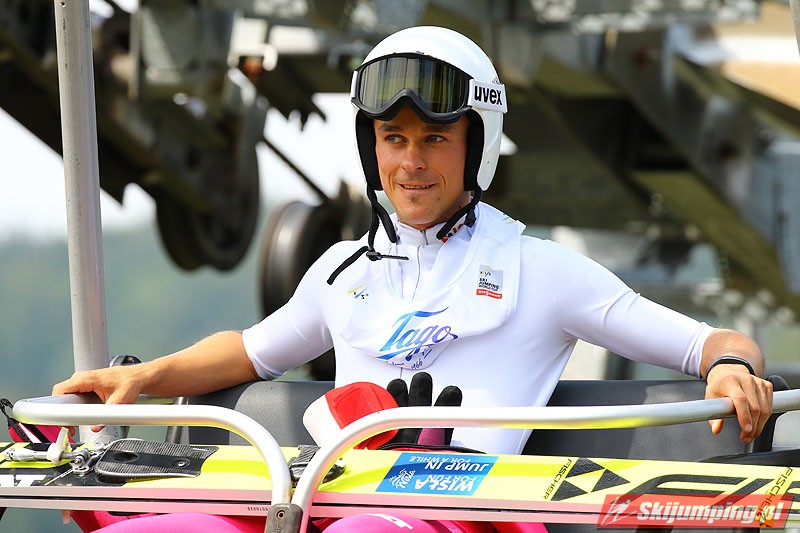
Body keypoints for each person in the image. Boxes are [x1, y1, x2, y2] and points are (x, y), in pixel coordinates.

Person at [53, 25, 773, 533]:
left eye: (435, 138)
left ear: (476, 146)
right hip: (331, 501)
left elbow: (712, 343)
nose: (411, 163)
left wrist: (732, 367)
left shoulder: (543, 270)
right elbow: (250, 351)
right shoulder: (341, 270)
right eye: (393, 139)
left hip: (466, 515)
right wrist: (143, 377)